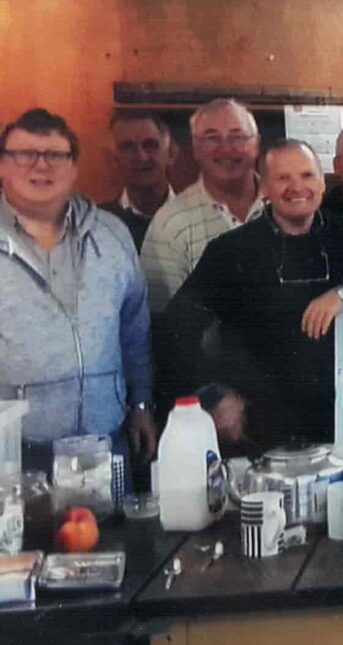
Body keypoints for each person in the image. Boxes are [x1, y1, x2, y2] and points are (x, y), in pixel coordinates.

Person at [161, 139, 343, 444]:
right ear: (264, 189)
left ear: (323, 184)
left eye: (307, 176)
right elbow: (175, 330)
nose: (297, 187)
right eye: (283, 178)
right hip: (259, 428)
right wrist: (213, 394)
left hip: (342, 425)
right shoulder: (231, 252)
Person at [0, 108, 156, 473]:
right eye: (24, 155)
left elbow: (135, 333)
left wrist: (142, 406)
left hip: (108, 442)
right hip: (16, 454)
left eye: (56, 155)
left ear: (73, 167)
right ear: (2, 166)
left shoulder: (112, 234)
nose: (41, 167)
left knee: (112, 532)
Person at [141, 98, 265, 312]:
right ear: (196, 148)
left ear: (256, 145)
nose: (226, 148)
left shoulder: (287, 207)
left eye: (237, 136)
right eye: (212, 138)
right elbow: (161, 317)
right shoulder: (169, 223)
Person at [99, 109, 178, 252]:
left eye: (150, 145)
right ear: (113, 160)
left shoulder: (201, 220)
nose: (141, 157)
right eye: (128, 148)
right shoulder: (97, 225)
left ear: (171, 154)